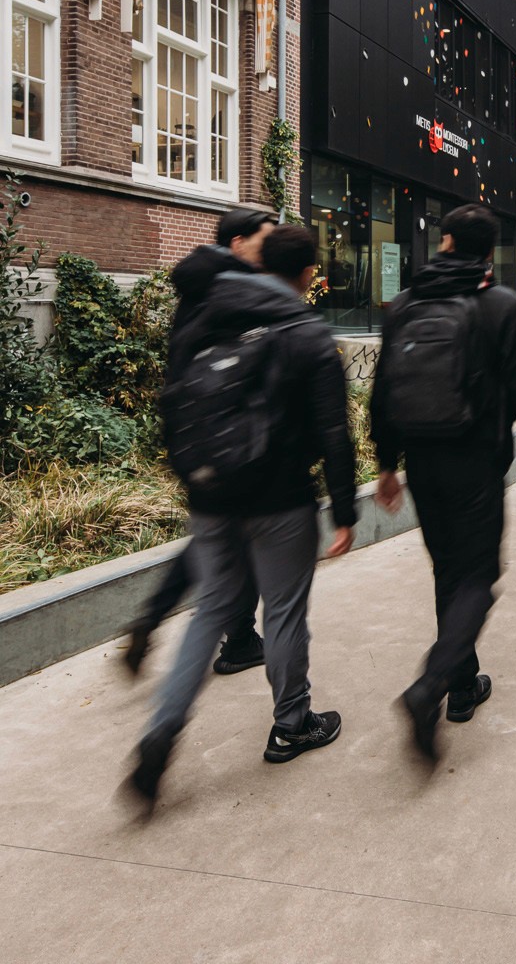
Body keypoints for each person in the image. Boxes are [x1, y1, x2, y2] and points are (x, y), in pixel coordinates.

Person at [127, 226, 355, 813]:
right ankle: (292, 724)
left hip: (211, 495)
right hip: (281, 499)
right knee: (283, 611)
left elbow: (175, 398)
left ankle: (162, 729)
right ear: (308, 273)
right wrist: (345, 509)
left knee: (210, 612)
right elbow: (334, 431)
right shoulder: (307, 332)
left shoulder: (208, 311)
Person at [369, 204, 516, 767]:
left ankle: (462, 684)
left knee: (448, 572)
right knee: (478, 577)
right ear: (490, 252)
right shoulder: (501, 306)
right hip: (477, 462)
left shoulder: (405, 304)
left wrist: (386, 464)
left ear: (446, 242)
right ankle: (432, 684)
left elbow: (383, 389)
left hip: (423, 463)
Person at [125, 206, 277, 682]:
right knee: (237, 535)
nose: (269, 251)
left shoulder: (199, 284)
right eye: (264, 241)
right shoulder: (234, 289)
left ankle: (159, 618)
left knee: (214, 534)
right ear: (238, 243)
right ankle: (237, 639)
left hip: (192, 435)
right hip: (231, 435)